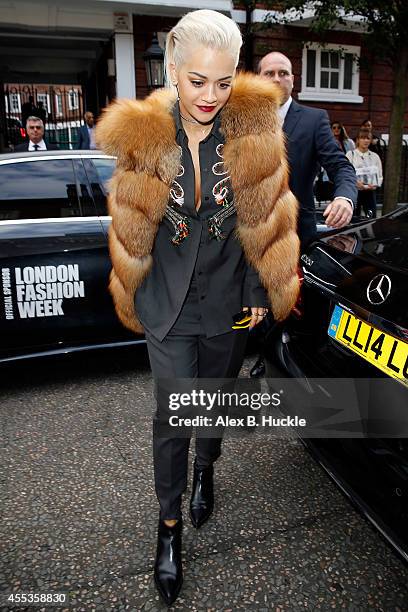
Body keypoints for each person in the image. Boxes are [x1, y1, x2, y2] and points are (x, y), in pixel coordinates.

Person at [96, 10, 300, 606]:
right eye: (196, 81)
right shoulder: (143, 136)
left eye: (222, 82)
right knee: (172, 416)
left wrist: (262, 294)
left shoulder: (255, 133)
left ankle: (206, 466)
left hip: (232, 301)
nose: (210, 96)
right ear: (171, 70)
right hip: (168, 304)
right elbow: (128, 223)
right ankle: (167, 529)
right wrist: (132, 277)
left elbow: (267, 223)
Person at [250, 51, 358, 378]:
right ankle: (265, 356)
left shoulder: (313, 119)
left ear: (293, 80)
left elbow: (340, 167)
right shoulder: (244, 120)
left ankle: (284, 365)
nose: (277, 78)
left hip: (298, 234)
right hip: (254, 233)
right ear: (259, 79)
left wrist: (345, 197)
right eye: (269, 73)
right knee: (257, 300)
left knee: (294, 307)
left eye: (284, 72)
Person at [346, 128, 383, 218]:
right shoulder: (350, 155)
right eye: (363, 138)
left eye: (368, 138)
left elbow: (380, 175)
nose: (365, 141)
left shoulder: (375, 157)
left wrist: (376, 184)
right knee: (353, 217)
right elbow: (346, 173)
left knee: (371, 217)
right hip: (354, 191)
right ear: (358, 140)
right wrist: (356, 182)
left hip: (369, 192)